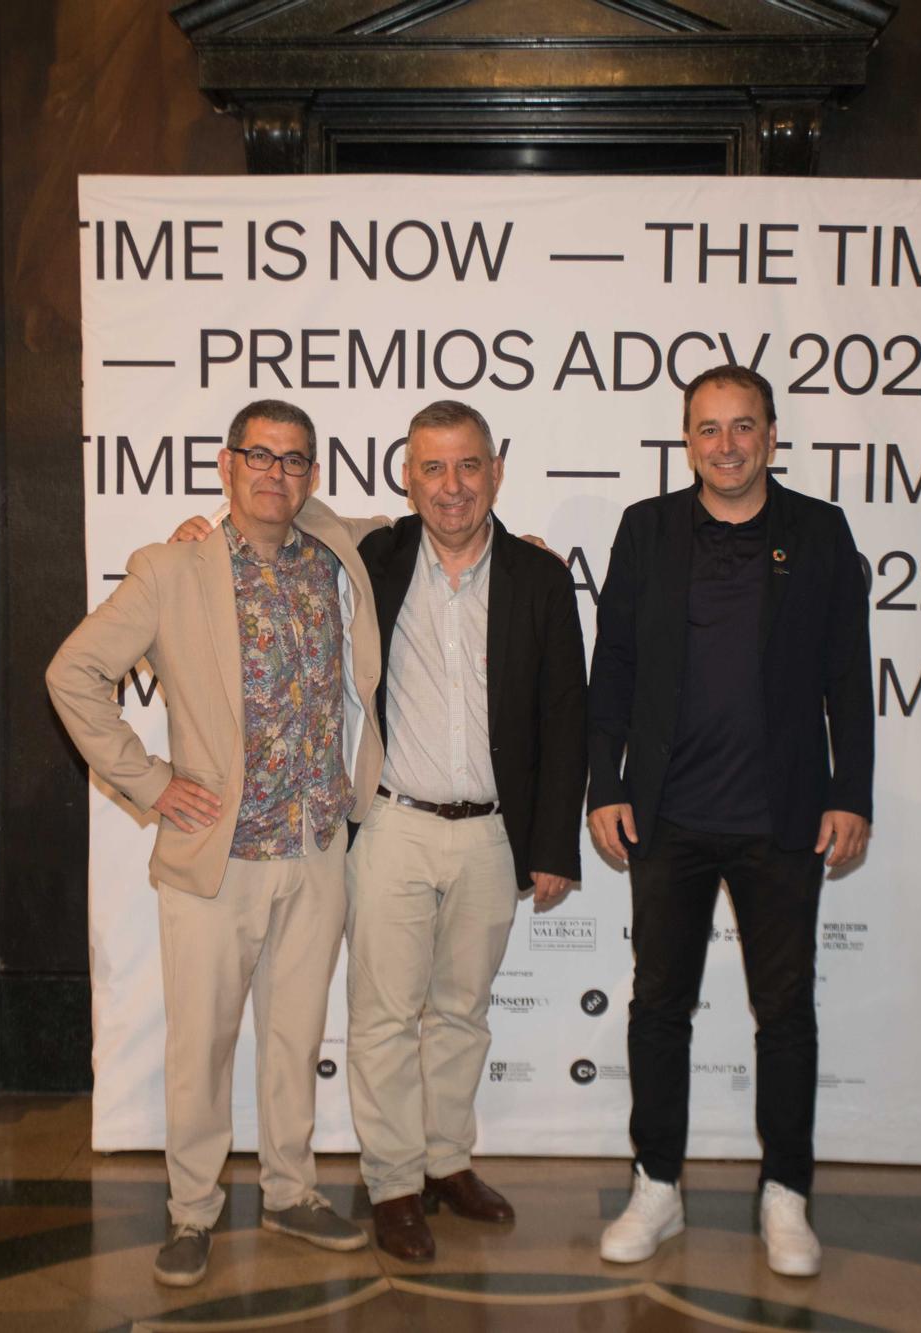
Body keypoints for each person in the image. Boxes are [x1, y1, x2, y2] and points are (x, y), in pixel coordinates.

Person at [46, 399, 389, 1288]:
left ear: (312, 474)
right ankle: (192, 1210)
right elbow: (73, 673)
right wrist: (152, 783)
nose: (277, 474)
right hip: (217, 857)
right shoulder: (172, 567)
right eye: (261, 457)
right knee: (199, 1045)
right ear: (227, 464)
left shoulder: (330, 550)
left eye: (295, 460)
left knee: (294, 1036)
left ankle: (290, 1189)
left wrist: (524, 547)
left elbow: (424, 524)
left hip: (318, 849)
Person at [585, 364, 872, 1277]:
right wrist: (605, 785)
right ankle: (657, 1186)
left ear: (773, 436)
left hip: (783, 817)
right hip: (667, 816)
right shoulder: (647, 529)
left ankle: (786, 1193)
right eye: (708, 429)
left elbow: (847, 678)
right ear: (687, 441)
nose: (726, 445)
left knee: (784, 1011)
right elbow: (615, 668)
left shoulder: (820, 533)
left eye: (743, 426)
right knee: (659, 1006)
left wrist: (851, 792)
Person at [346, 401, 587, 1260]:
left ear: (496, 471)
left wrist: (553, 846)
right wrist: (208, 520)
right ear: (406, 479)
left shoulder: (539, 579)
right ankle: (393, 1182)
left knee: (461, 1011)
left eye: (469, 465)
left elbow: (567, 718)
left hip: (493, 836)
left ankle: (447, 1162)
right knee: (382, 1015)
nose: (453, 486)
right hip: (393, 825)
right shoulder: (372, 558)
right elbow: (279, 514)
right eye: (433, 468)